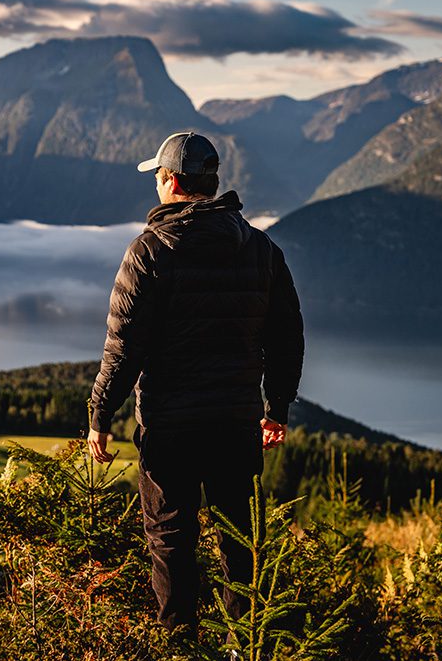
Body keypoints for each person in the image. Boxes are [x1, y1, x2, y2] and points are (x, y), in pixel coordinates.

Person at [86, 131, 304, 642]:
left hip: (171, 427)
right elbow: (287, 335)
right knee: (240, 539)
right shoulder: (261, 249)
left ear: (170, 180)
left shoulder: (148, 251)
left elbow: (123, 348)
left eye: (159, 177)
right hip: (235, 423)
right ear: (212, 184)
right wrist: (277, 408)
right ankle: (242, 645)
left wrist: (99, 415)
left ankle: (180, 643)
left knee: (170, 538)